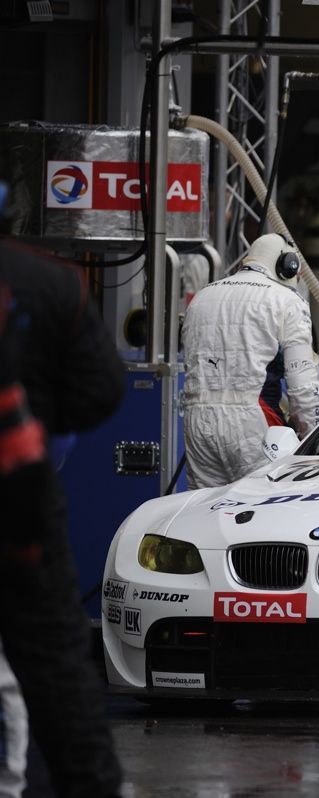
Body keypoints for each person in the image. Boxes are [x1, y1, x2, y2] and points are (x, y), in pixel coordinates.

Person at [0, 229, 124, 796]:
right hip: (18, 492)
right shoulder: (49, 278)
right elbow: (102, 389)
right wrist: (46, 423)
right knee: (51, 659)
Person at [181, 233, 319, 489]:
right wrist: (316, 440)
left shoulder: (201, 298)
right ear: (288, 264)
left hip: (197, 422)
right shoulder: (287, 301)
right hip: (253, 423)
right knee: (263, 512)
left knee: (202, 515)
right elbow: (303, 388)